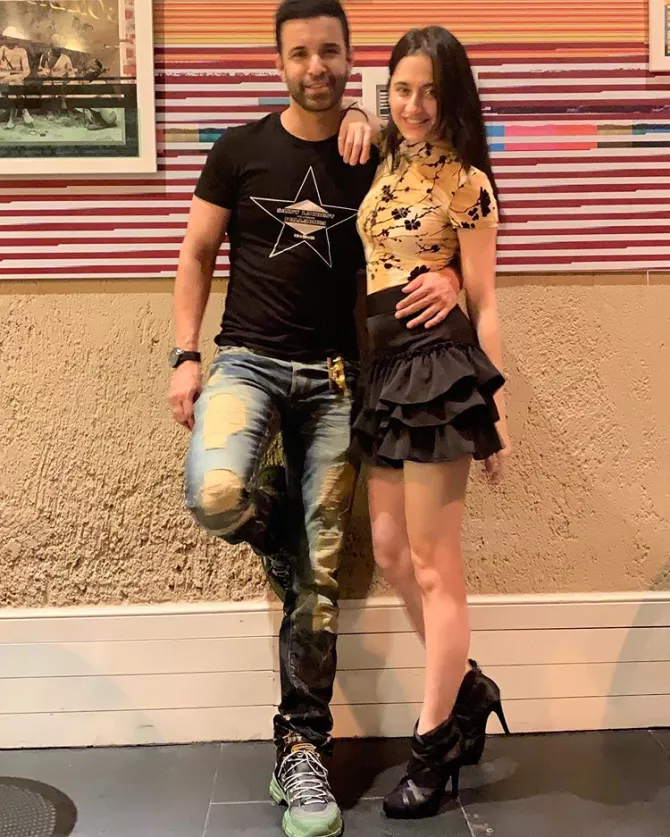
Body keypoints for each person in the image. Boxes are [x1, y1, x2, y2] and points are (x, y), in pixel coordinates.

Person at [168, 3, 460, 836]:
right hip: (246, 363)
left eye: (330, 51)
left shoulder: (379, 155)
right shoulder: (238, 149)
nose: (316, 66)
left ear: (348, 57)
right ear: (280, 62)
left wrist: (453, 280)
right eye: (300, 53)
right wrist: (185, 353)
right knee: (216, 495)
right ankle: (290, 537)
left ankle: (301, 749)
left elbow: (446, 214)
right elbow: (196, 253)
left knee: (319, 583)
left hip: (340, 379)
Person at [352, 25, 513, 819]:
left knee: (434, 564)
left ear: (453, 97)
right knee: (389, 550)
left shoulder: (469, 184)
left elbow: (485, 299)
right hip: (384, 368)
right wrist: (362, 113)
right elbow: (361, 120)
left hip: (438, 370)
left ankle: (435, 739)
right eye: (401, 90)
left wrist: (497, 411)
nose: (414, 105)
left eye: (429, 91)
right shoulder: (384, 155)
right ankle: (469, 686)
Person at [0, 33, 34, 129]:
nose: (10, 39)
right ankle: (24, 111)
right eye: (8, 37)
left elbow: (26, 70)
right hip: (4, 79)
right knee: (13, 86)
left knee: (14, 87)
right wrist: (8, 75)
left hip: (17, 80)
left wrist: (19, 77)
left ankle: (12, 119)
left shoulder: (21, 51)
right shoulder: (1, 51)